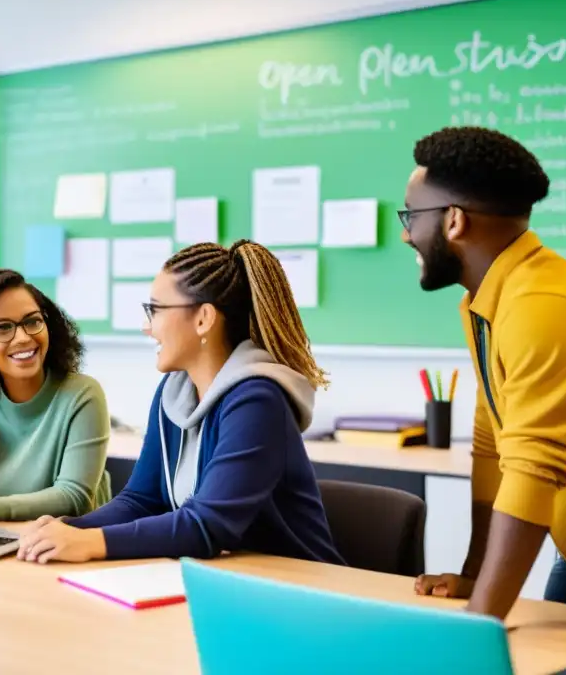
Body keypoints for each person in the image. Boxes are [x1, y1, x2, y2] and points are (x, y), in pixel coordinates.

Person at [17, 240, 343, 565]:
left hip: (301, 590)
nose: (147, 327)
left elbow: (208, 525)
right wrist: (64, 530)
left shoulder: (257, 401)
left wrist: (90, 542)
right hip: (229, 580)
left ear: (203, 318)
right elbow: (142, 500)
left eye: (155, 310)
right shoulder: (173, 393)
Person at [402, 126, 566, 619]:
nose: (406, 234)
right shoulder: (486, 302)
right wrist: (474, 577)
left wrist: (479, 624)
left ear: (455, 221)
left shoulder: (541, 304)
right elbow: (492, 444)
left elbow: (533, 464)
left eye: (411, 216)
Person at [0, 268, 110, 521]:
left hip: (63, 548)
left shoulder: (82, 395)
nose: (23, 337)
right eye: (3, 328)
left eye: (32, 321)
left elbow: (73, 496)